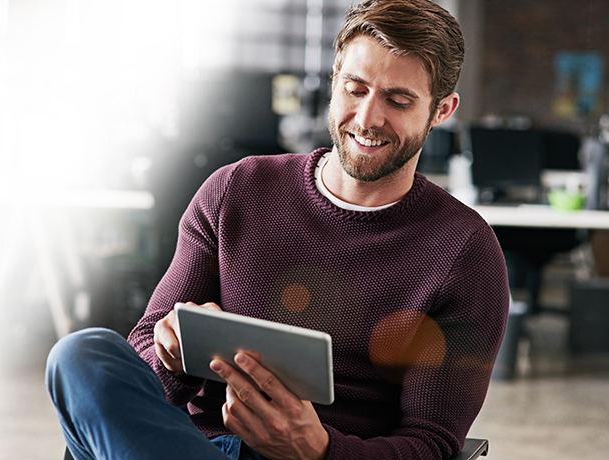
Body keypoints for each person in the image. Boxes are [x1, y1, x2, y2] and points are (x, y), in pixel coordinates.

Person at [45, 1, 510, 459]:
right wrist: (171, 357)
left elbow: (431, 444)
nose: (368, 118)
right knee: (81, 355)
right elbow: (145, 358)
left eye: (398, 100)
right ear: (334, 83)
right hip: (191, 445)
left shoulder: (465, 252)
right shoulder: (235, 189)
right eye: (355, 89)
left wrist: (319, 449)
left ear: (441, 110)